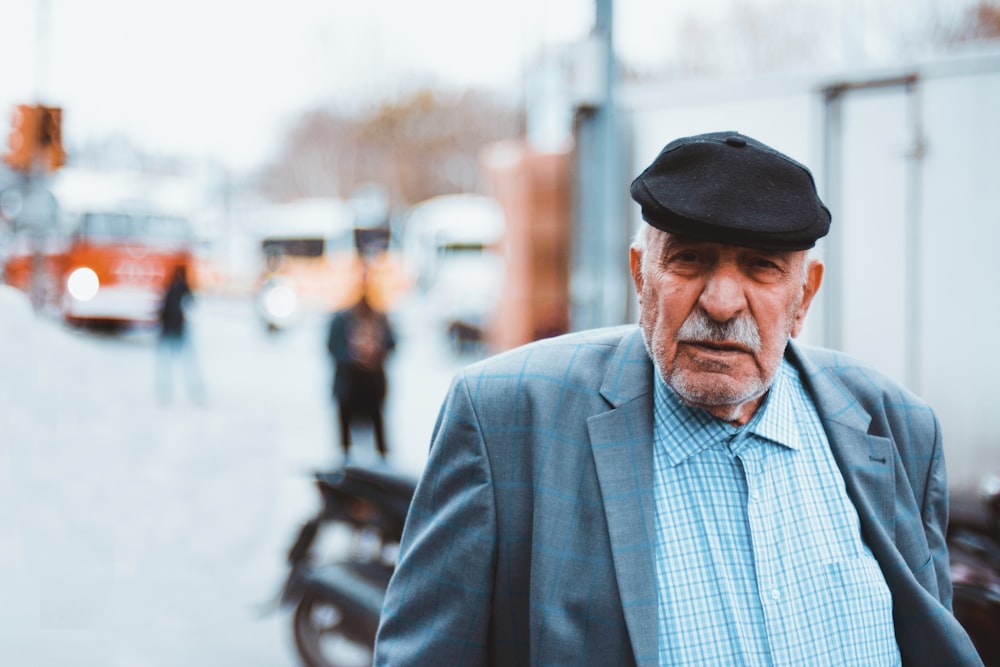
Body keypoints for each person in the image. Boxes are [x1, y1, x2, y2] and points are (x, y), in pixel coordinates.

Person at [373, 131, 983, 666]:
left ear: (804, 295)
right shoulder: (504, 420)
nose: (721, 302)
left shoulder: (894, 425)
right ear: (641, 274)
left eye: (762, 266)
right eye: (689, 259)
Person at [326, 270, 396, 462]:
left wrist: (375, 352)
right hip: (349, 384)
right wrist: (354, 356)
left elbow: (392, 344)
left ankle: (382, 470)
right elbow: (332, 346)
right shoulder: (341, 318)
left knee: (379, 434)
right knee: (345, 441)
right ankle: (347, 469)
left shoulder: (380, 317)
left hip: (372, 386)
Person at [155, 264, 204, 404]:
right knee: (187, 361)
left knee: (167, 361)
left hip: (169, 328)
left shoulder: (170, 287)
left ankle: (164, 388)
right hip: (178, 328)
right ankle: (194, 389)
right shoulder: (183, 287)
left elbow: (163, 309)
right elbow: (192, 305)